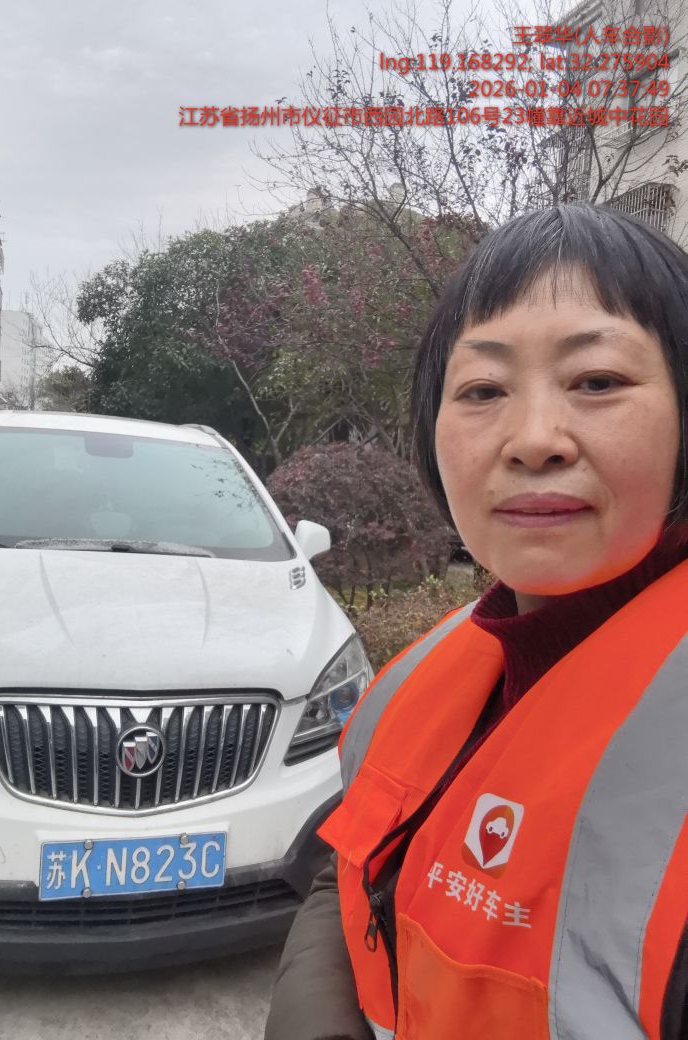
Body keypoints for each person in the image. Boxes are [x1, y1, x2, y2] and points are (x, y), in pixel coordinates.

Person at [264, 202, 688, 1040]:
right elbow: (343, 879)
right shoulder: (416, 679)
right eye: (484, 390)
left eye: (597, 381)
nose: (534, 440)